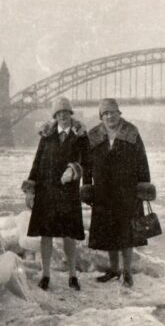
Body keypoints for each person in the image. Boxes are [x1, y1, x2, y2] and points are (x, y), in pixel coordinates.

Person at [21, 97, 89, 291]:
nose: (63, 116)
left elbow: (86, 161)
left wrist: (74, 169)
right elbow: (37, 162)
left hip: (68, 192)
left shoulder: (80, 136)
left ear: (71, 114)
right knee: (46, 235)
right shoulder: (46, 135)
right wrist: (30, 189)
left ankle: (73, 275)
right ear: (55, 116)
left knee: (69, 235)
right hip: (46, 190)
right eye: (59, 113)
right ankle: (45, 275)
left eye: (66, 113)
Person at [83, 98, 151, 287]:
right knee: (109, 233)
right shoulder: (94, 135)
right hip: (103, 191)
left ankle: (127, 272)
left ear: (119, 113)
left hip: (127, 190)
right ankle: (114, 270)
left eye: (112, 112)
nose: (109, 116)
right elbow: (86, 165)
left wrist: (144, 186)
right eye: (105, 113)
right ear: (101, 117)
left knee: (126, 233)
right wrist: (87, 186)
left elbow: (142, 160)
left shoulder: (131, 132)